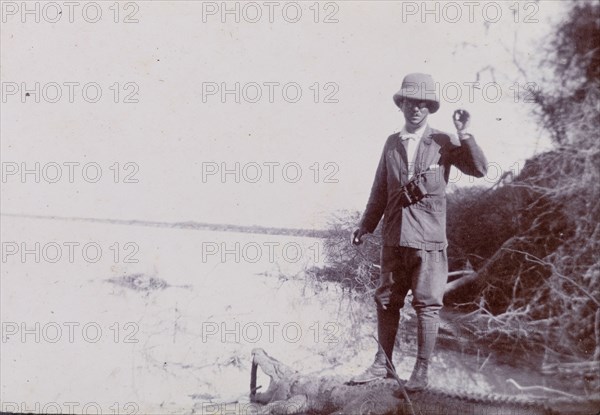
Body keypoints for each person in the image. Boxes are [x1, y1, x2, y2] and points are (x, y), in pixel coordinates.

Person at [350, 73, 488, 391]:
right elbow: (380, 190)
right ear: (402, 105)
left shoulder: (443, 142)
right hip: (394, 237)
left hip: (428, 240)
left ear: (430, 108)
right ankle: (383, 364)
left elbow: (479, 168)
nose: (416, 109)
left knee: (427, 304)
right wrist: (365, 226)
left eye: (423, 104)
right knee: (386, 300)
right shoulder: (392, 142)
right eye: (411, 102)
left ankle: (421, 372)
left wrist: (465, 134)